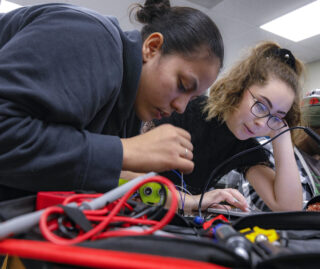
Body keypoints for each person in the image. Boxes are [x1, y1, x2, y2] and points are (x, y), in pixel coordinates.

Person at [0, 0, 224, 201]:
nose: (181, 107)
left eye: (192, 98)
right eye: (182, 85)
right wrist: (124, 151)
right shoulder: (90, 36)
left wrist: (186, 201)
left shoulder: (127, 111)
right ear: (152, 47)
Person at [149, 41, 305, 212]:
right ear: (239, 87)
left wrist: (282, 134)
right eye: (260, 106)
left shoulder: (244, 144)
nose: (262, 122)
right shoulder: (185, 108)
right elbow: (122, 171)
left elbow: (288, 208)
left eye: (275, 116)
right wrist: (191, 201)